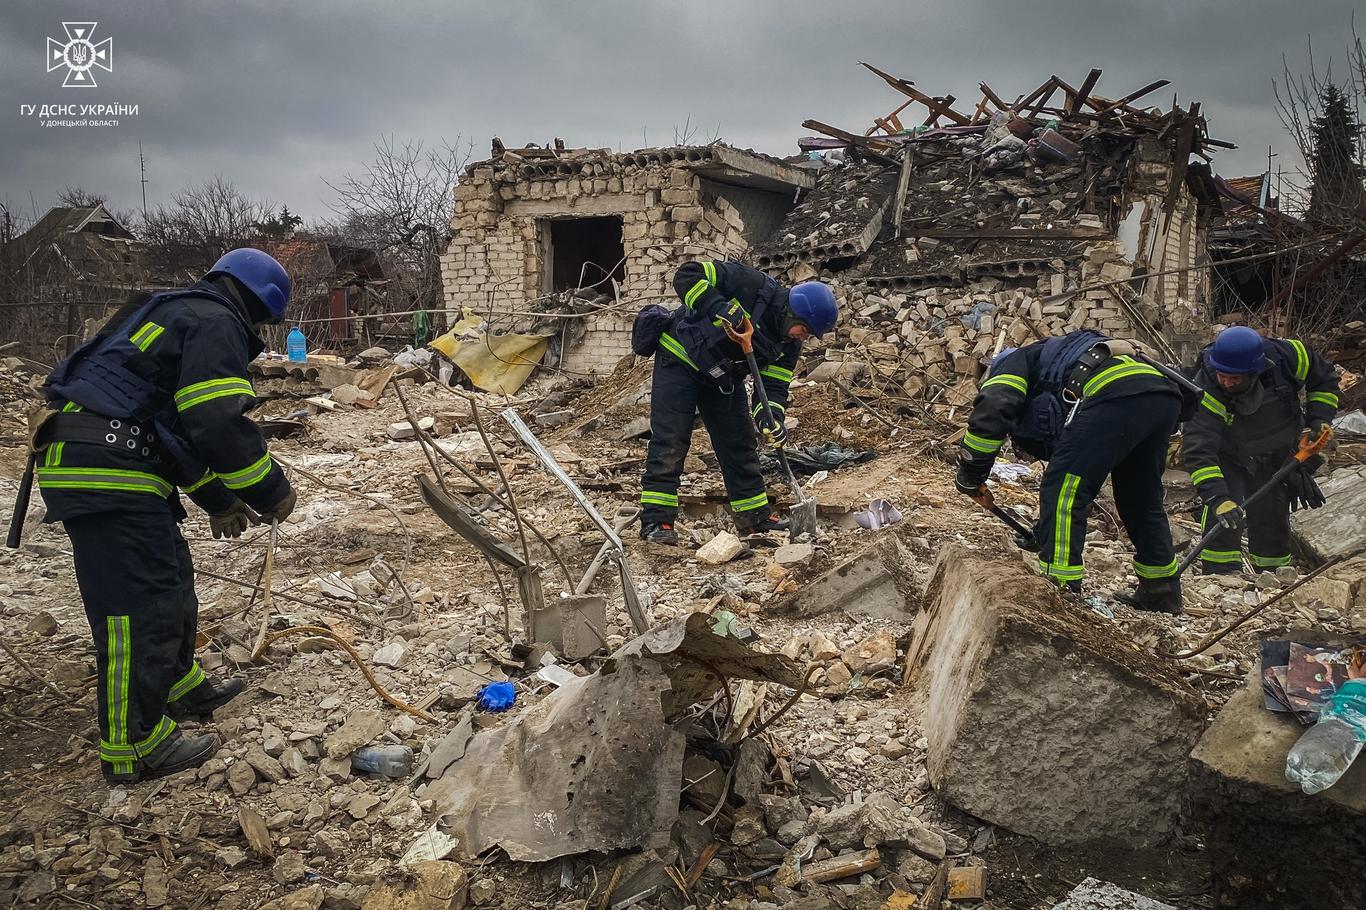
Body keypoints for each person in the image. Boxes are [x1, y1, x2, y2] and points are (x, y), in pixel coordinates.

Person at [33, 248, 298, 784]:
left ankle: (178, 682)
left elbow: (166, 429)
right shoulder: (215, 321)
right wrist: (270, 490)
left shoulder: (176, 314)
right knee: (137, 606)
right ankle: (132, 745)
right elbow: (215, 423)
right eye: (267, 322)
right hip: (108, 465)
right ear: (257, 305)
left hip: (110, 457)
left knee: (170, 576)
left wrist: (219, 500)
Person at [954, 331, 1185, 613]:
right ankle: (1161, 591)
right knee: (1140, 495)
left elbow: (995, 407)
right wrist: (1045, 529)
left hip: (1114, 391)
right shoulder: (1060, 366)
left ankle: (1061, 592)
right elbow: (1077, 454)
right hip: (1163, 396)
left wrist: (971, 469)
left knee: (1063, 489)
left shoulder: (1013, 362)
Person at [634, 260, 837, 545]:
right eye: (804, 329)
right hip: (680, 358)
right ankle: (657, 520)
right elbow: (687, 275)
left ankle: (754, 518)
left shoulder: (788, 344)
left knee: (739, 443)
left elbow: (774, 386)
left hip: (722, 377)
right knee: (671, 440)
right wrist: (718, 306)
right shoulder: (752, 284)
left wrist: (771, 417)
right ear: (793, 312)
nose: (804, 337)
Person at [1183, 325, 1339, 574]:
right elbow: (1198, 447)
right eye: (1222, 374)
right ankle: (1219, 577)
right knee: (1223, 516)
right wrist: (1216, 497)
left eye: (1234, 378)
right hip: (1229, 455)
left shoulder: (1289, 356)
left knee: (1272, 513)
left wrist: (1319, 419)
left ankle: (1274, 577)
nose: (1226, 381)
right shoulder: (1207, 387)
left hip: (1278, 452)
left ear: (1256, 370)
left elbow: (1324, 379)